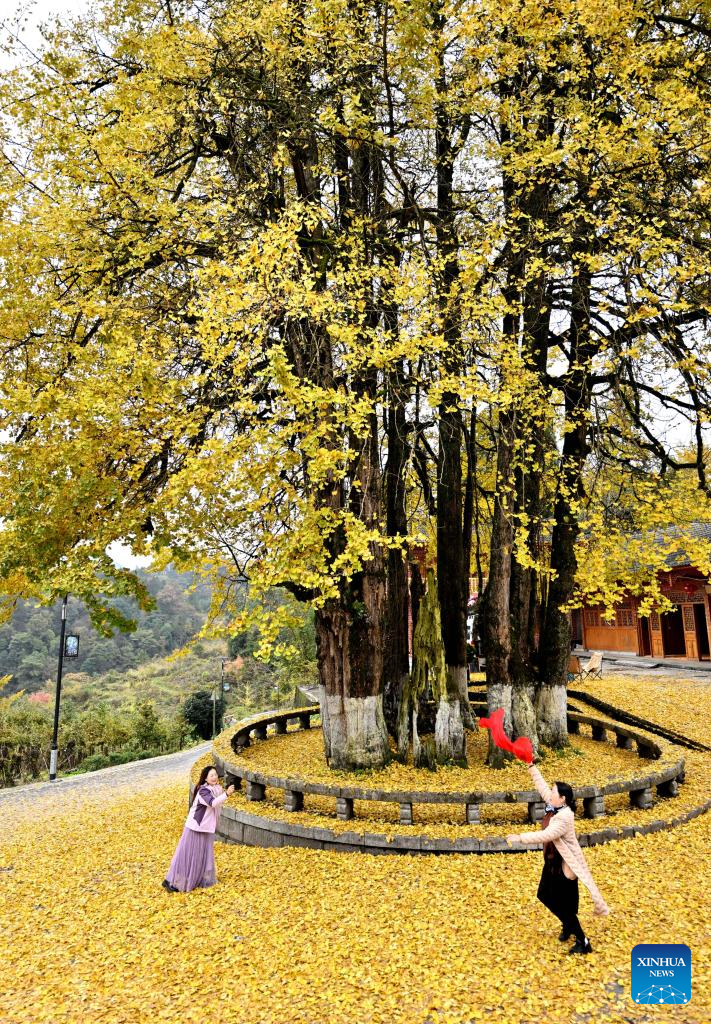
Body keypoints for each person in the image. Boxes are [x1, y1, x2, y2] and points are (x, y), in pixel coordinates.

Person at [506, 762, 610, 954]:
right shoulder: (555, 806)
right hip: (552, 861)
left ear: (562, 799)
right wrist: (531, 767)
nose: (550, 793)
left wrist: (520, 837)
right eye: (552, 791)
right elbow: (542, 787)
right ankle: (567, 925)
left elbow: (546, 835)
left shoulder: (564, 817)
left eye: (554, 792)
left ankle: (583, 941)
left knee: (564, 905)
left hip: (565, 865)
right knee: (544, 895)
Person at [163, 765, 235, 893]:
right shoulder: (203, 791)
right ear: (205, 778)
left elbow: (218, 799)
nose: (214, 777)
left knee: (200, 855)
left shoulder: (215, 788)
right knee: (186, 854)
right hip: (195, 827)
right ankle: (171, 881)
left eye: (215, 775)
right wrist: (227, 794)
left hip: (205, 828)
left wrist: (226, 792)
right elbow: (212, 803)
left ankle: (197, 878)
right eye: (211, 775)